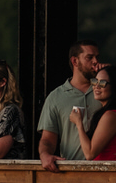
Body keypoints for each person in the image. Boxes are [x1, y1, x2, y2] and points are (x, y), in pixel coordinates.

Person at [38, 40, 102, 170]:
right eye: (90, 57)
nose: (95, 61)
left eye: (97, 57)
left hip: (104, 174)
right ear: (75, 61)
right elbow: (48, 139)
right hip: (70, 174)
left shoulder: (104, 89)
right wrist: (44, 155)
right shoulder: (56, 97)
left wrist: (115, 79)